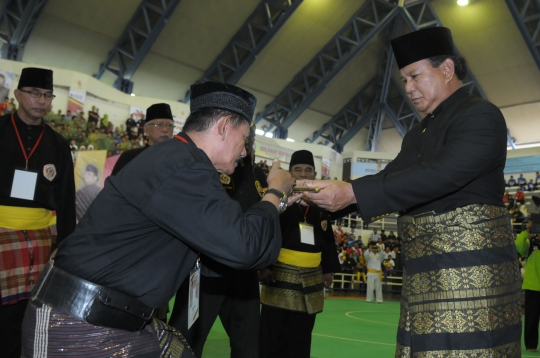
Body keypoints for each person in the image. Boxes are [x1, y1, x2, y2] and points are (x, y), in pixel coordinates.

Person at [21, 81, 299, 357]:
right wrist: (274, 192)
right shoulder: (182, 166)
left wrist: (276, 204)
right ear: (224, 126)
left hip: (110, 319)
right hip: (78, 326)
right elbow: (243, 246)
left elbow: (224, 247)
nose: (243, 151)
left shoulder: (180, 160)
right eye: (245, 138)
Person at [300, 27, 521, 357]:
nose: (408, 89)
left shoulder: (480, 115)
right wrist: (316, 196)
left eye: (415, 76)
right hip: (424, 273)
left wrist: (351, 192)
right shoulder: (418, 132)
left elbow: (441, 174)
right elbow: (391, 179)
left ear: (446, 69)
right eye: (404, 81)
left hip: (470, 271)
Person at [169, 122, 268, 358]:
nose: (249, 141)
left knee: (248, 343)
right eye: (245, 136)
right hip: (206, 267)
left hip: (244, 271)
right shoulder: (214, 165)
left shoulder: (259, 175)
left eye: (251, 137)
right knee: (186, 339)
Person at [0, 67, 76, 358]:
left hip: (40, 242)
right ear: (18, 95)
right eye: (34, 93)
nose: (41, 100)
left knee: (29, 313)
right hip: (1, 235)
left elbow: (67, 201)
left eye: (47, 95)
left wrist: (65, 249)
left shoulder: (58, 144)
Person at [258, 150, 340, 358]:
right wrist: (264, 266)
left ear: (314, 174)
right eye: (298, 169)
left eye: (308, 169)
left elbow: (327, 238)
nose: (303, 173)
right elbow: (266, 230)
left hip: (311, 280)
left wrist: (328, 269)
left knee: (302, 335)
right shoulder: (278, 198)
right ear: (290, 172)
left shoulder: (321, 204)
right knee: (272, 334)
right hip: (279, 276)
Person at [111, 103, 174, 175]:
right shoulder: (129, 158)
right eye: (159, 125)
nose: (165, 129)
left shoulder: (177, 160)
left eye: (169, 125)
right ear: (147, 129)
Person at [516, 218, 540, 352]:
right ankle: (531, 345)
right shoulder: (530, 243)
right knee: (531, 319)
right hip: (532, 286)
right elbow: (518, 247)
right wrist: (527, 231)